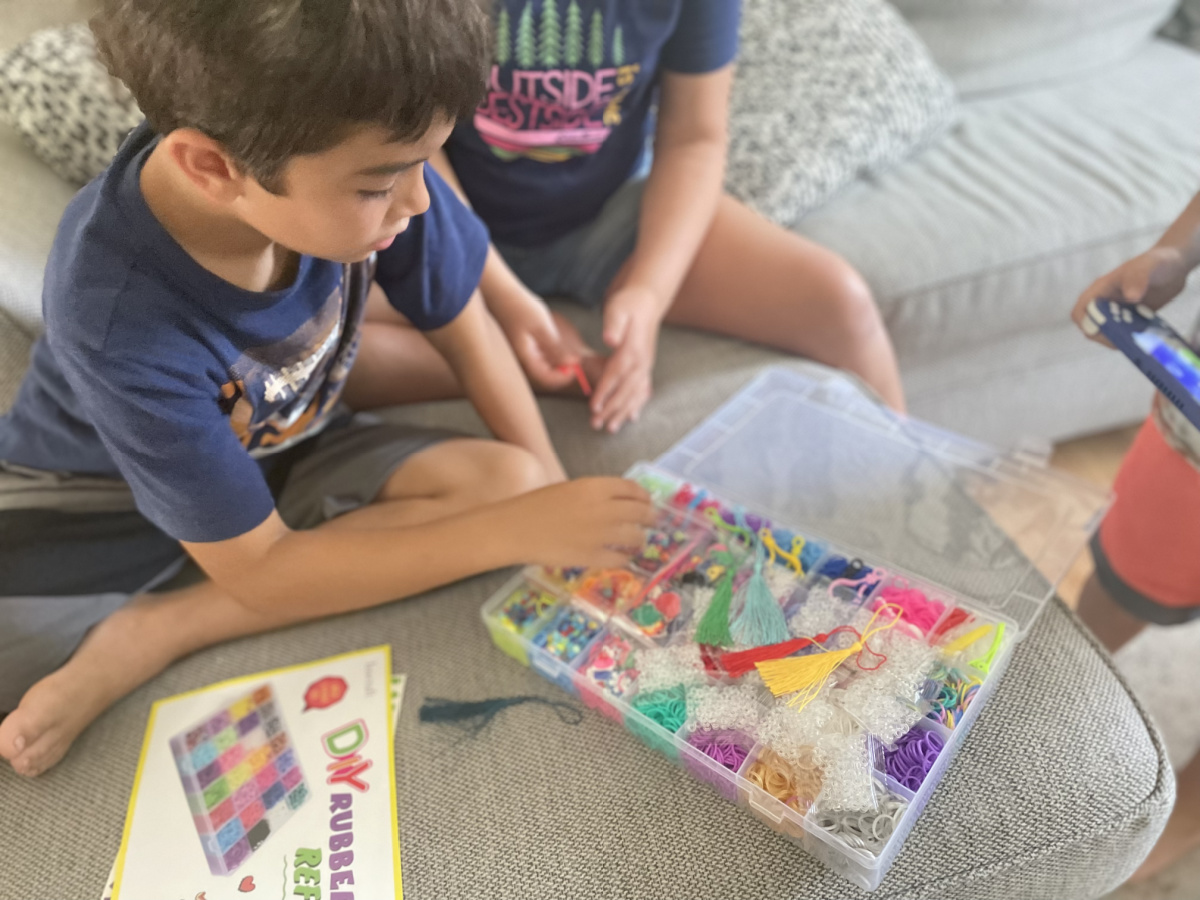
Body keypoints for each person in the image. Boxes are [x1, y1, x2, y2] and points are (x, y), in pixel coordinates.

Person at [0, 0, 655, 779]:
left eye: (425, 162)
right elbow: (260, 570)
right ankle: (159, 628)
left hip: (288, 437)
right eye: (380, 185)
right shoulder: (115, 316)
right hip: (85, 498)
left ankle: (180, 612)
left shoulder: (373, 154)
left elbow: (463, 322)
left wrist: (546, 485)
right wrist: (515, 534)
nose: (419, 200)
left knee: (515, 482)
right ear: (213, 169)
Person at [348, 0, 906, 433]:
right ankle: (528, 369)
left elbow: (695, 137)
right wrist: (505, 298)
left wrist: (648, 294)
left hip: (607, 217)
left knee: (840, 303)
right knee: (322, 347)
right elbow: (414, 148)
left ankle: (918, 512)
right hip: (436, 217)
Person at [1071, 190, 1200, 881]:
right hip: (1188, 450)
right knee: (1114, 594)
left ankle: (1175, 829)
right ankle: (1045, 696)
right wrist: (1175, 253)